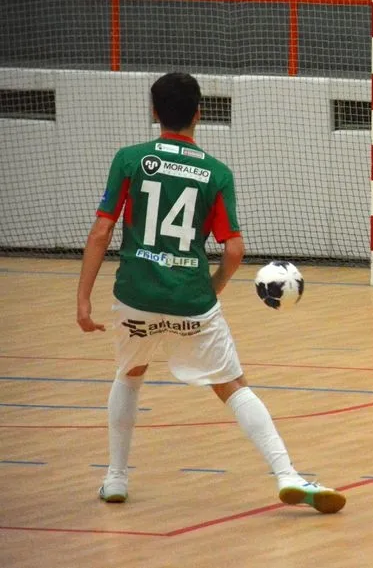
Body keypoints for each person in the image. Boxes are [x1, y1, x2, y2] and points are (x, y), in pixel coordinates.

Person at [76, 73, 345, 513]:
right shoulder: (216, 173)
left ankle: (116, 479)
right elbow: (235, 250)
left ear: (154, 111)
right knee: (232, 386)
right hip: (192, 301)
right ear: (199, 113)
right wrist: (213, 286)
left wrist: (83, 299)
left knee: (130, 373)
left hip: (135, 297)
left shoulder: (129, 160)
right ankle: (287, 476)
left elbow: (101, 231)